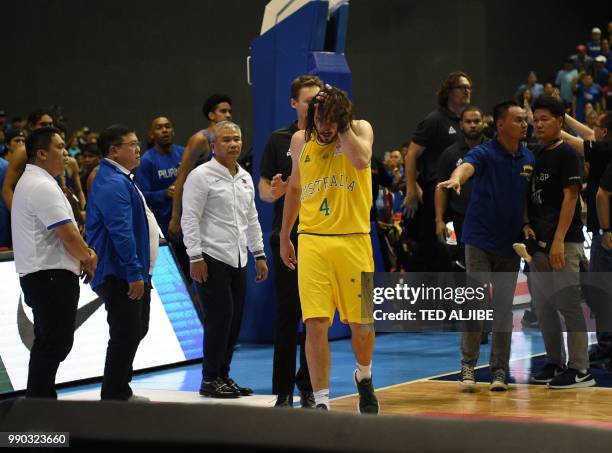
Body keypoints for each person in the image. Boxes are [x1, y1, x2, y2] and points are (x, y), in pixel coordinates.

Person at [280, 85, 379, 413]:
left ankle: (363, 376)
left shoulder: (360, 129)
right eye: (319, 117)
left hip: (355, 241)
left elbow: (361, 160)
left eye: (331, 118)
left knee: (362, 327)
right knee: (316, 323)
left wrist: (344, 126)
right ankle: (321, 400)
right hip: (313, 241)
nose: (324, 125)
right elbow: (294, 188)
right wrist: (285, 235)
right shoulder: (300, 141)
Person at [438, 100, 534, 392]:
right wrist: (456, 179)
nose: (524, 124)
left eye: (525, 120)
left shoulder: (529, 157)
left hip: (509, 243)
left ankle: (499, 371)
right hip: (478, 239)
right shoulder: (484, 152)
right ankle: (467, 367)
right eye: (518, 120)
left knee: (504, 310)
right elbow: (466, 168)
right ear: (501, 124)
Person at [182, 121, 268, 398]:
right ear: (213, 145)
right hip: (211, 256)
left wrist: (259, 254)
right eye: (227, 140)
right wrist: (195, 256)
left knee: (233, 321)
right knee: (220, 318)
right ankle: (209, 378)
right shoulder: (200, 176)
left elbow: (251, 218)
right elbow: (190, 218)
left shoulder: (244, 177)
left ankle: (223, 375)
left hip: (239, 258)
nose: (233, 144)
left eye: (237, 139)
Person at [11, 126, 97, 398]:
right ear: (41, 154)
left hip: (44, 275)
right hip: (49, 276)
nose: (66, 154)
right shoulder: (41, 185)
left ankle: (43, 399)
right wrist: (88, 256)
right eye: (60, 147)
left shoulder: (37, 181)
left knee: (51, 343)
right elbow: (68, 233)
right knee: (54, 344)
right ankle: (37, 405)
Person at [259, 75, 322, 408]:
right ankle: (282, 390)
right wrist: (275, 192)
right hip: (287, 238)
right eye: (309, 100)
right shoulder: (278, 139)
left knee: (316, 318)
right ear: (294, 103)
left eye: (319, 99)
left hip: (320, 236)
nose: (314, 105)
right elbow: (264, 189)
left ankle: (308, 385)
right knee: (288, 315)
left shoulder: (330, 139)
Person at [524, 95, 594, 388]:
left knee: (568, 305)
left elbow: (571, 197)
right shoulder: (534, 153)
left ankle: (580, 369)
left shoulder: (568, 154)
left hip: (564, 242)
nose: (538, 124)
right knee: (543, 307)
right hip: (537, 243)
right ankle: (554, 362)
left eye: (545, 119)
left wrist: (558, 240)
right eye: (535, 119)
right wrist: (527, 226)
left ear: (559, 122)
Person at [86, 125, 157, 401]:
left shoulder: (121, 178)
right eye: (132, 144)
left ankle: (119, 389)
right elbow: (121, 232)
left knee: (136, 329)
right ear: (114, 150)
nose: (138, 148)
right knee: (125, 333)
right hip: (119, 273)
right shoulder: (113, 183)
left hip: (131, 271)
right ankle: (114, 394)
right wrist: (134, 273)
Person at [403, 71, 472, 271]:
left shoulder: (467, 122)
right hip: (436, 194)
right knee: (437, 246)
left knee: (456, 247)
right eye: (462, 87)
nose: (467, 91)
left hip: (459, 196)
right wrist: (411, 189)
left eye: (469, 87)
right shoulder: (434, 120)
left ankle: (456, 294)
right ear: (449, 92)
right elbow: (411, 155)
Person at [561, 111, 612, 365]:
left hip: (606, 232)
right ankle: (605, 343)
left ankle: (607, 345)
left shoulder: (604, 150)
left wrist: (551, 123)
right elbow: (588, 134)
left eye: (597, 127)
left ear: (605, 133)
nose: (593, 130)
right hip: (602, 229)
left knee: (600, 291)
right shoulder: (605, 146)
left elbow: (575, 142)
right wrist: (565, 116)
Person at [168, 94, 232, 243]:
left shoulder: (227, 140)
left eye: (229, 111)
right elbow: (181, 177)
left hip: (216, 212)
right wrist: (175, 217)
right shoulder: (200, 140)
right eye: (223, 111)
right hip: (197, 212)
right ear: (211, 115)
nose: (228, 115)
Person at [435, 105, 486, 265]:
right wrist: (439, 220)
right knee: (462, 264)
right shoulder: (450, 153)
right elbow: (441, 188)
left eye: (476, 121)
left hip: (491, 219)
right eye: (468, 121)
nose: (473, 125)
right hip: (459, 220)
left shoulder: (495, 149)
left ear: (483, 123)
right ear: (461, 125)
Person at [135, 116, 184, 238]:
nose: (164, 130)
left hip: (187, 218)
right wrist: (164, 193)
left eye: (167, 126)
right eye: (159, 128)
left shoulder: (184, 153)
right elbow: (142, 196)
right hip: (163, 222)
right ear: (151, 135)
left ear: (173, 131)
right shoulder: (146, 160)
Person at [2, 110, 54, 210]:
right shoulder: (22, 152)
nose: (48, 127)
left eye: (51, 124)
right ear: (31, 126)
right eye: (43, 124)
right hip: (26, 210)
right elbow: (7, 189)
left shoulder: (53, 151)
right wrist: (17, 215)